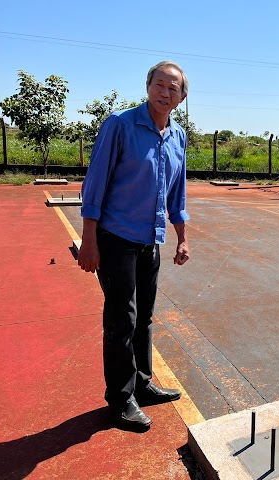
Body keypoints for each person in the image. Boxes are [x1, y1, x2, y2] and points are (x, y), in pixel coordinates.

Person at [78, 61, 190, 430]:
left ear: (181, 97)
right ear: (148, 87)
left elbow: (177, 194)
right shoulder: (121, 125)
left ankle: (142, 384)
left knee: (144, 317)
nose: (165, 92)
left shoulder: (177, 136)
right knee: (121, 320)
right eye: (160, 84)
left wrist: (182, 238)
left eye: (173, 88)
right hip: (116, 239)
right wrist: (89, 242)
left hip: (150, 241)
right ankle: (120, 398)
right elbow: (94, 185)